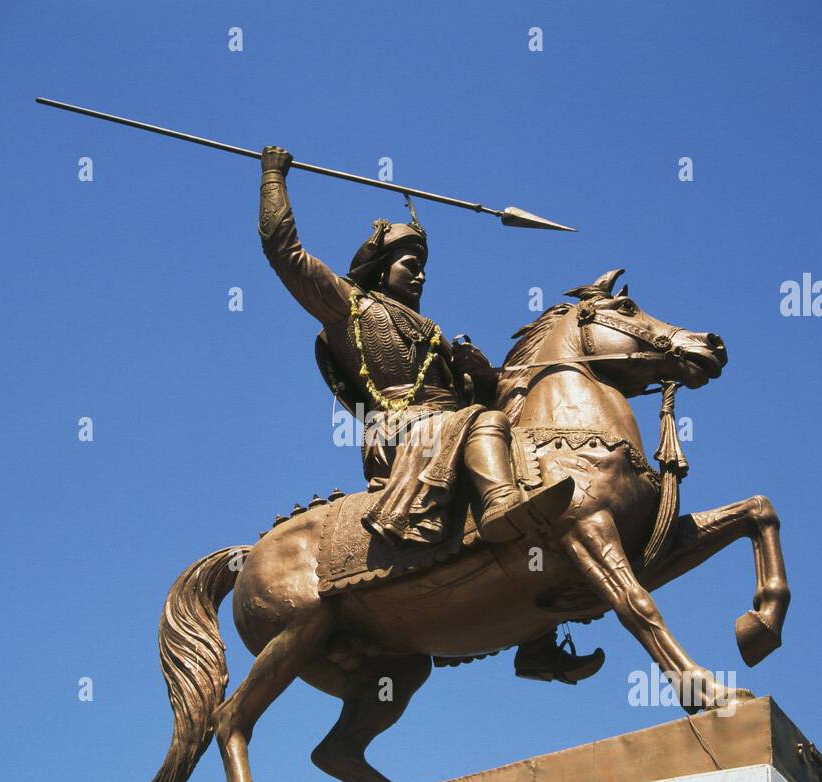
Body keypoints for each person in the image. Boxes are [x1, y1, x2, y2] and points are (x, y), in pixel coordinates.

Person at [257, 145, 603, 685]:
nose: (419, 276)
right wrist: (274, 176)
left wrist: (481, 372)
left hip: (449, 428)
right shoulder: (349, 307)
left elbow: (476, 391)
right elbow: (286, 252)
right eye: (409, 264)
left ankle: (537, 641)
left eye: (422, 268)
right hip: (401, 431)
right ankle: (499, 508)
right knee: (481, 427)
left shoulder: (432, 331)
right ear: (379, 266)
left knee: (528, 451)